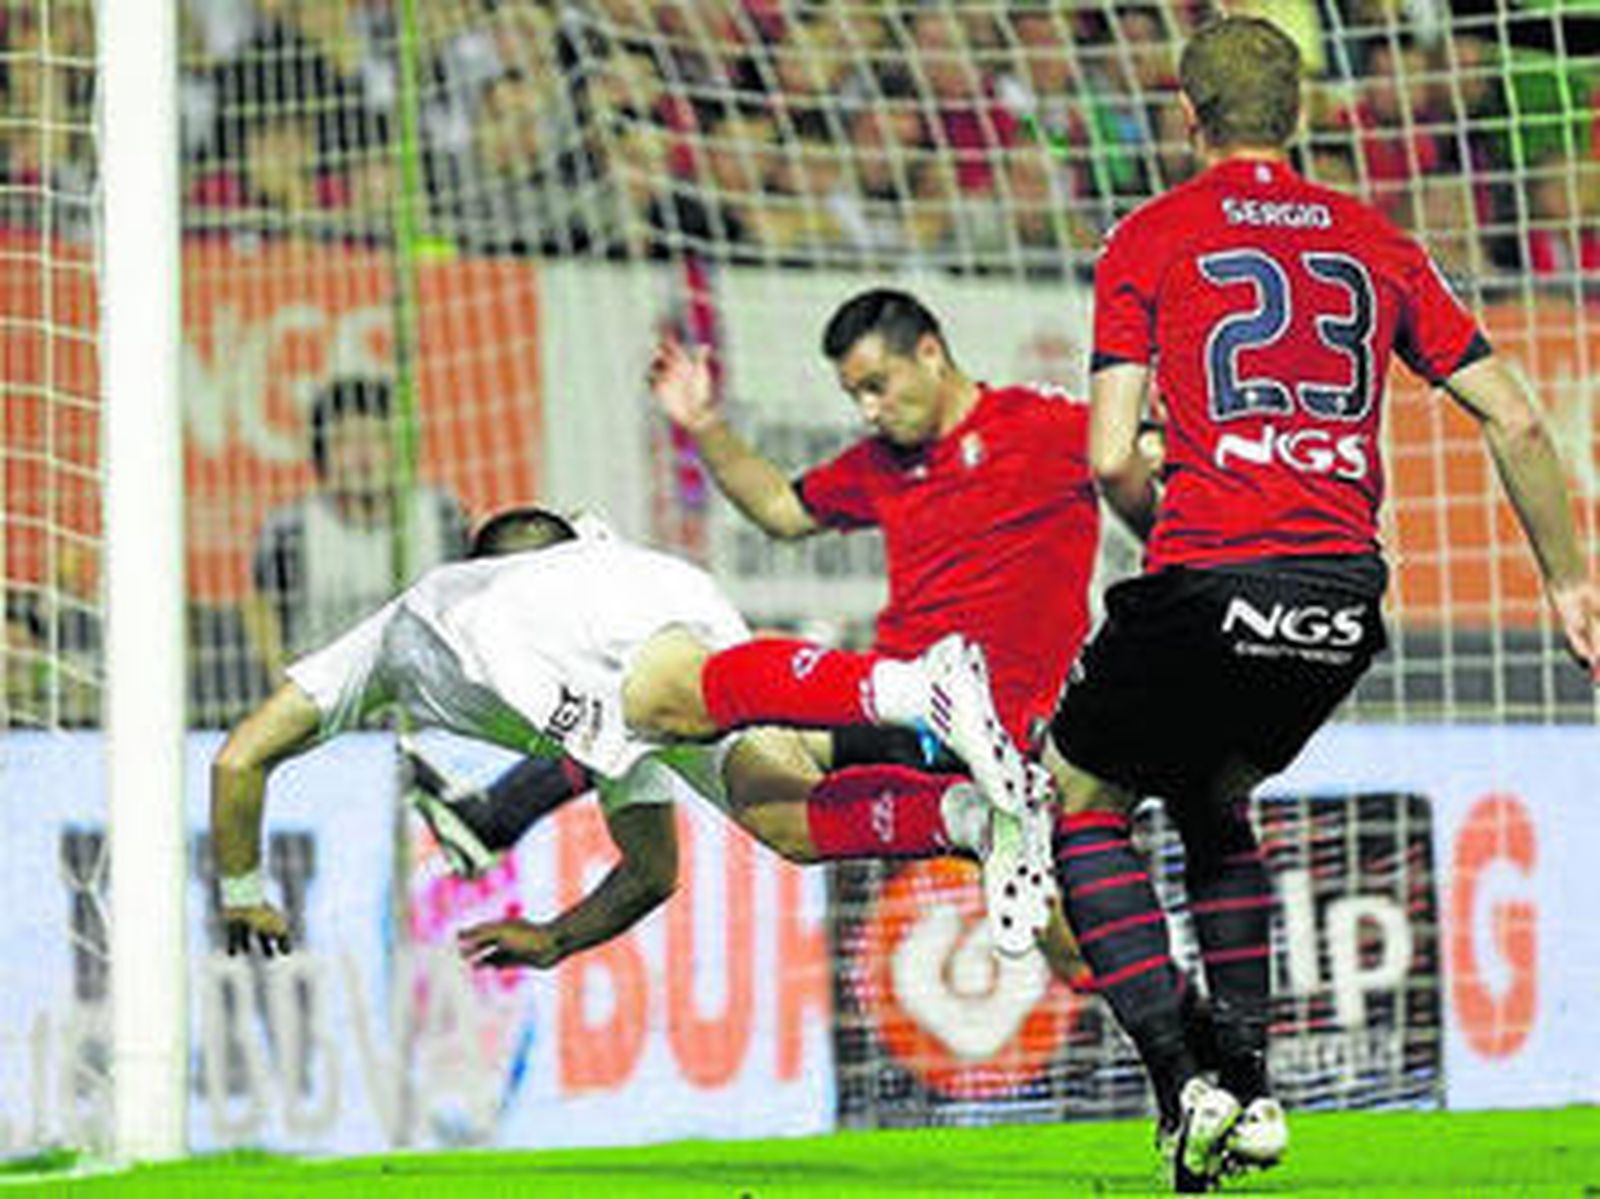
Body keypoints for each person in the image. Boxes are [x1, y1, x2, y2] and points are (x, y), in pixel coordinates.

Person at [988, 16, 1600, 1192]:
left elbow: (1115, 456)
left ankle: (1189, 1080)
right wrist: (1570, 583)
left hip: (1210, 565)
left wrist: (1166, 541)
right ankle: (1259, 1093)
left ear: (1188, 116)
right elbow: (1515, 415)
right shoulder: (1376, 239)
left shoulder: (1148, 238)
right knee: (1217, 798)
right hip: (1338, 596)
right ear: (1303, 116)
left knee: (1076, 794)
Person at [410, 288, 1110, 946]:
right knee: (688, 716)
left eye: (877, 385)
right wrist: (702, 423)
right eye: (854, 393)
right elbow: (779, 507)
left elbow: (1140, 456)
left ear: (930, 351)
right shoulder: (882, 462)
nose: (869, 409)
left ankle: (1191, 1046)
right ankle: (497, 815)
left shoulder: (1045, 427)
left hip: (1016, 731)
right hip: (897, 713)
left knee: (1078, 952)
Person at [213, 507, 1064, 969]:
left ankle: (920, 687)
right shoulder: (590, 650)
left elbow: (239, 754)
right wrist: (554, 937)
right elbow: (652, 870)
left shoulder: (443, 610)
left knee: (666, 704)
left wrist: (243, 887)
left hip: (607, 635)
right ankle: (976, 821)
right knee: (790, 822)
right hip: (655, 602)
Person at [243, 376, 469, 681]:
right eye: (345, 442)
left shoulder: (443, 515)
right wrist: (281, 680)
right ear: (321, 453)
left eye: (376, 439)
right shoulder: (292, 528)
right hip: (325, 702)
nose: (362, 458)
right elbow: (261, 607)